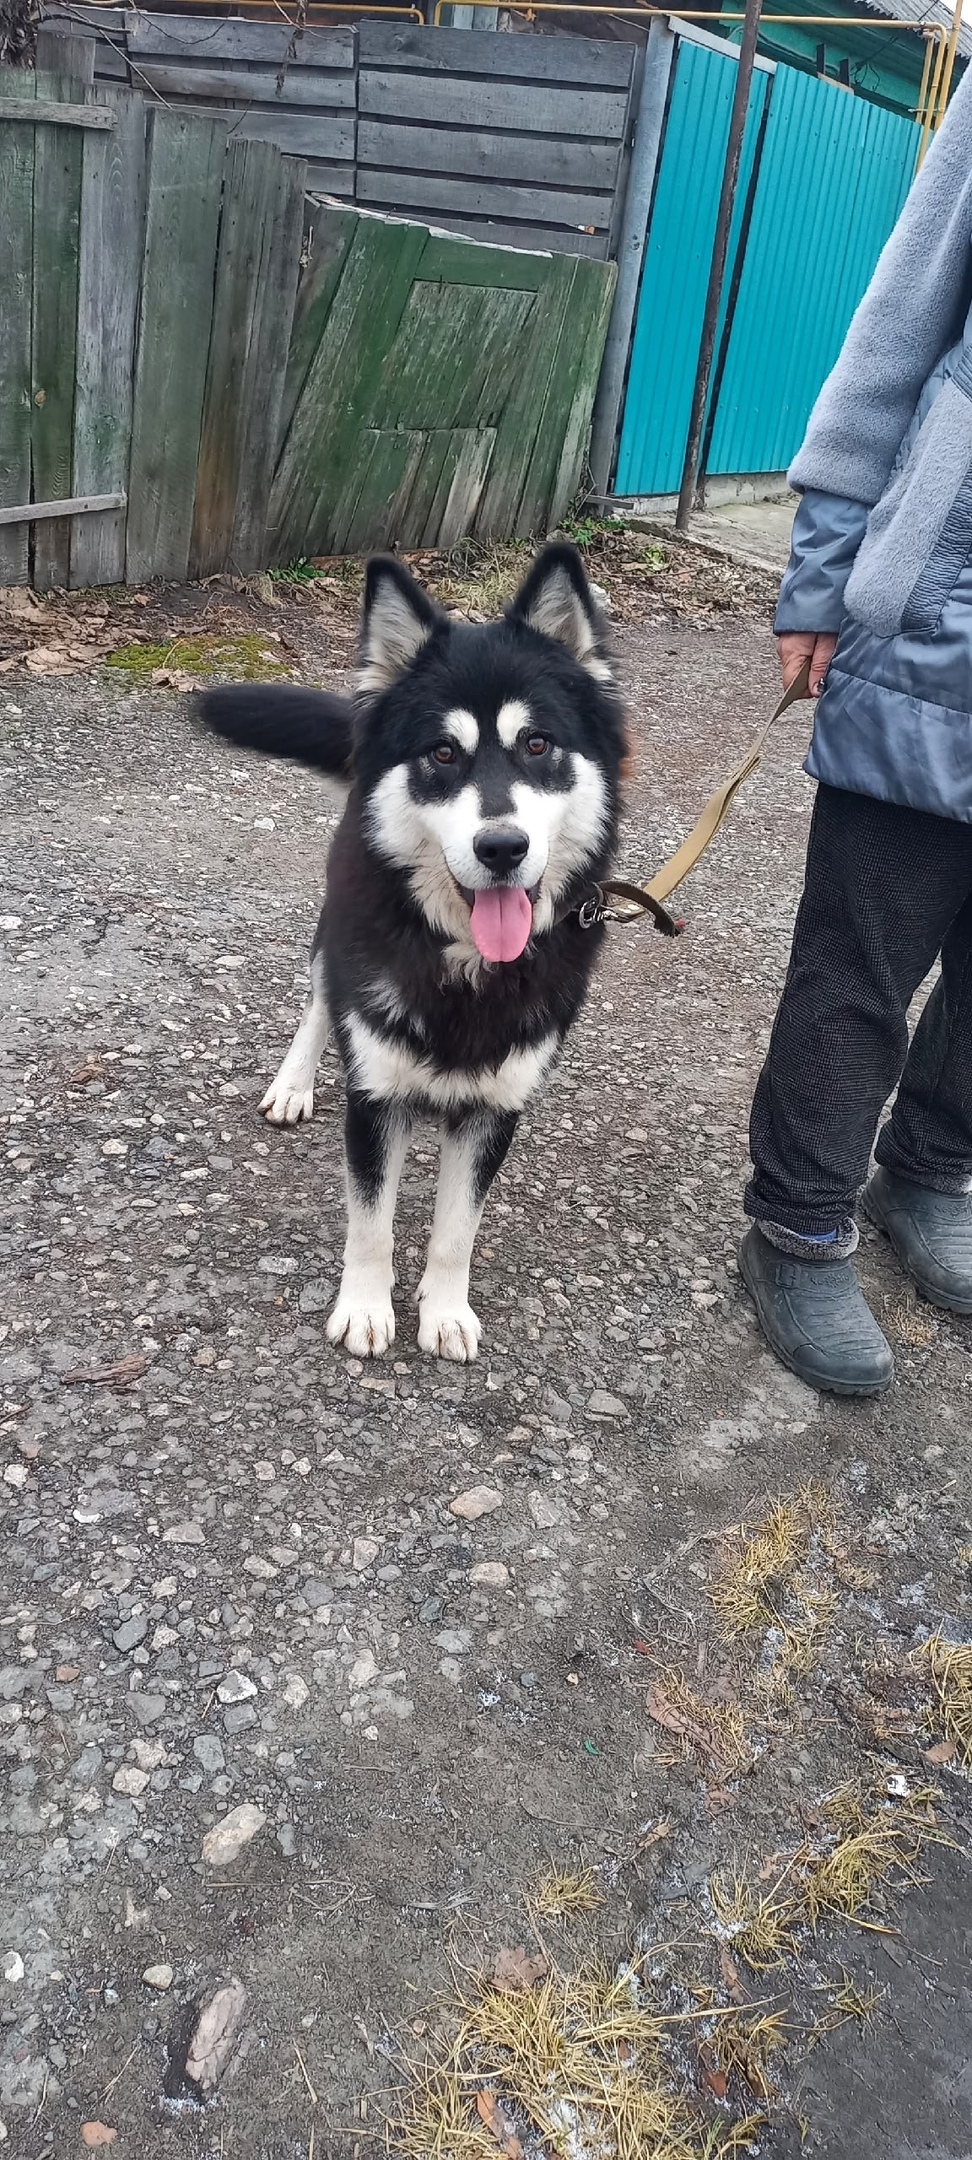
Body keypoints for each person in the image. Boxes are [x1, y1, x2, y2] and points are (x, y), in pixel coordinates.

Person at [739, 65, 972, 1395]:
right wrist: (824, 569)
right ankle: (798, 1225)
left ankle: (929, 1173)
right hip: (948, 615)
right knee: (865, 953)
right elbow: (894, 336)